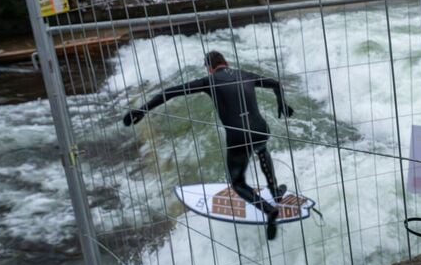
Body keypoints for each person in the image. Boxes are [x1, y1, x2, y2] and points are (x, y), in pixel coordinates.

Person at [123, 51, 294, 240]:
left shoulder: (209, 81)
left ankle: (269, 210)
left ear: (210, 68)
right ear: (226, 63)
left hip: (238, 136)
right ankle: (275, 191)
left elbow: (170, 93)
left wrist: (142, 110)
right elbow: (275, 84)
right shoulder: (244, 74)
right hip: (261, 128)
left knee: (238, 183)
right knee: (261, 150)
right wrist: (282, 104)